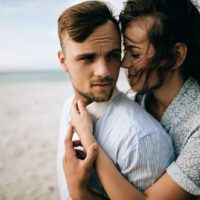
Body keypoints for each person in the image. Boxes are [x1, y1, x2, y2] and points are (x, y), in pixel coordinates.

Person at [64, 0, 200, 199]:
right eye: (124, 51)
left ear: (176, 55)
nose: (125, 63)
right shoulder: (139, 99)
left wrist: (88, 140)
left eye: (135, 53)